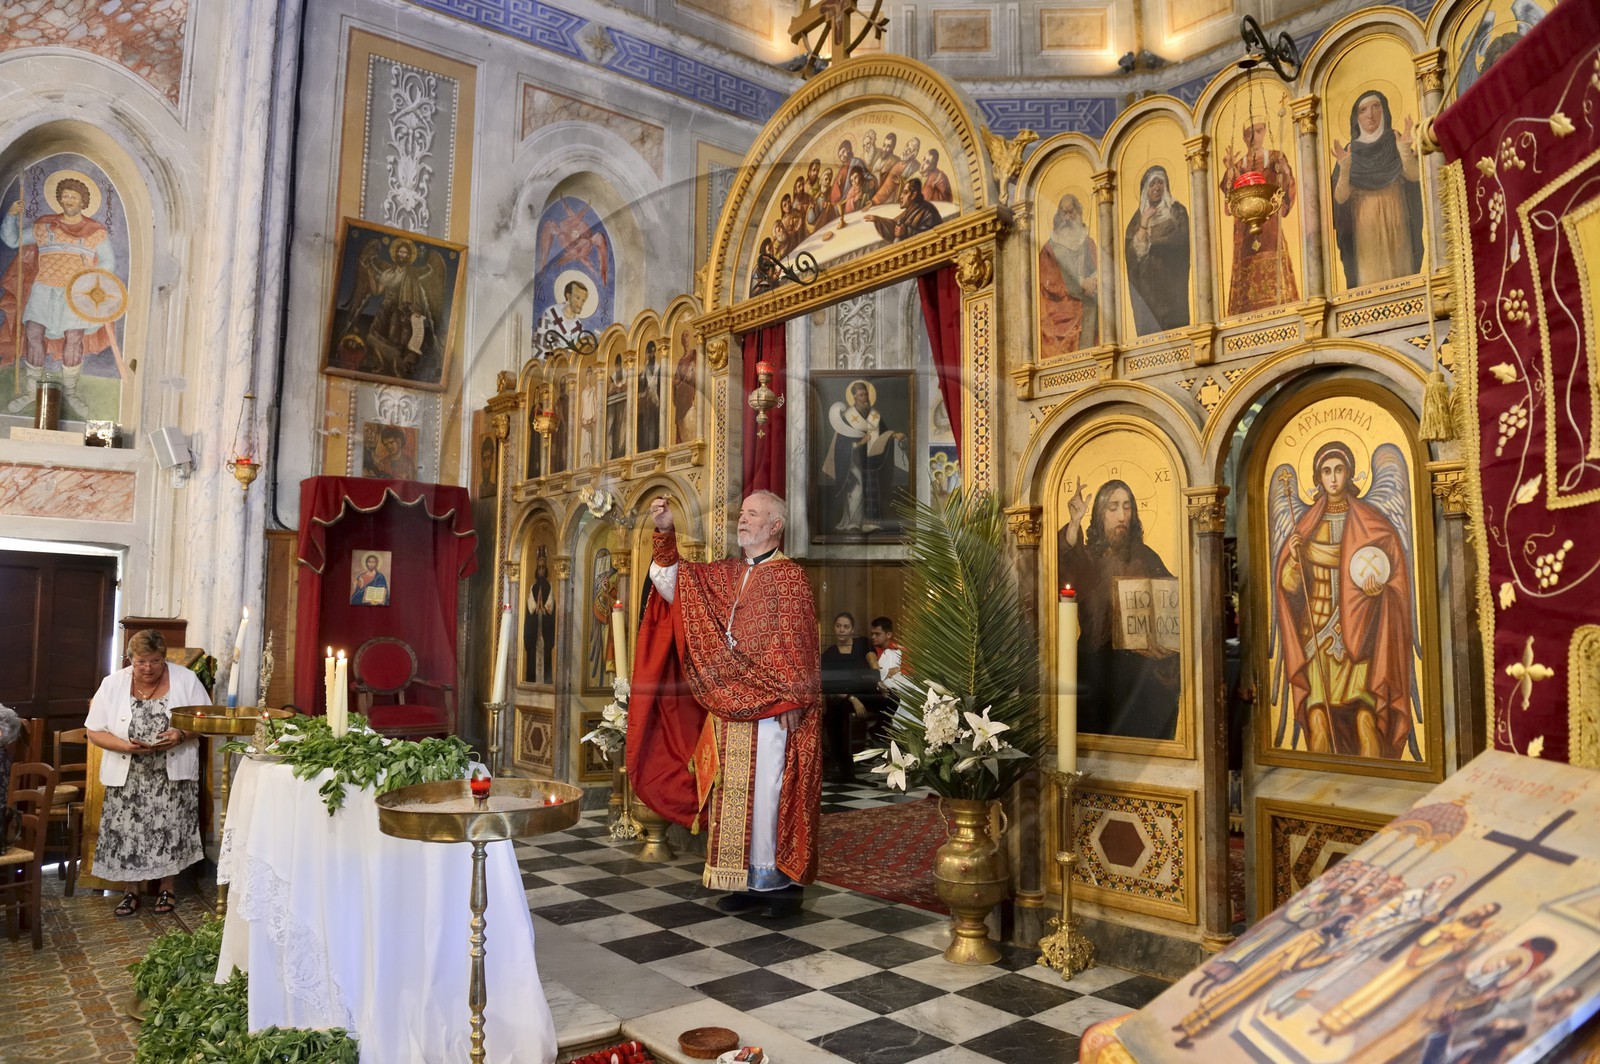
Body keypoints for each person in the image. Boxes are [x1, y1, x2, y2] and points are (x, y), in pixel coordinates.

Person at [627, 492, 822, 918]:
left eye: (752, 514)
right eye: (741, 513)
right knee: (730, 793)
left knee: (768, 794)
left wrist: (792, 696)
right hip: (726, 704)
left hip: (773, 709)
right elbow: (672, 583)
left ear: (775, 526)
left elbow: (800, 644)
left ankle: (778, 886)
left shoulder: (791, 577)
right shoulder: (726, 574)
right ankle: (742, 881)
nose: (742, 519)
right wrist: (664, 532)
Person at [1274, 440, 1415, 759]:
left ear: (1350, 473)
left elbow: (1395, 578)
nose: (1334, 478)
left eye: (1339, 470)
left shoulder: (1371, 521)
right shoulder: (1306, 527)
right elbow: (1289, 590)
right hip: (1318, 641)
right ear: (1318, 478)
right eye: (1327, 471)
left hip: (1359, 640)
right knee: (1318, 722)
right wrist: (1295, 559)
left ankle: (1376, 794)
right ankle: (1320, 797)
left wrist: (1380, 591)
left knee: (1366, 721)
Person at [84, 629, 208, 917]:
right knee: (129, 832)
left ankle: (167, 887)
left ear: (164, 658)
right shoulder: (113, 683)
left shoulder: (186, 679)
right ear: (130, 659)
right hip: (129, 774)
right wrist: (125, 746)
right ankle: (131, 891)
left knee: (169, 828)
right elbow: (94, 730)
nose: (148, 668)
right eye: (141, 661)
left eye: (154, 661)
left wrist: (180, 734)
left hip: (170, 772)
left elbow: (205, 721)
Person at [1057, 477, 1181, 739]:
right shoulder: (1088, 557)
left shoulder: (1146, 557)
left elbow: (1171, 607)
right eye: (1113, 508)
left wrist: (1165, 645)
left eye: (1127, 507)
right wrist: (1074, 524)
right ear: (1101, 515)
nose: (1121, 516)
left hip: (1136, 677)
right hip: (1094, 671)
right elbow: (1064, 567)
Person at [1, 177, 117, 419]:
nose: (69, 201)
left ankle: (71, 392)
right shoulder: (45, 226)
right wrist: (11, 215)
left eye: (74, 197)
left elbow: (109, 262)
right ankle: (32, 391)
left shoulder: (95, 231)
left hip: (74, 292)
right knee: (33, 333)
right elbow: (13, 240)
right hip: (43, 288)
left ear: (83, 201)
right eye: (65, 196)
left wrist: (90, 275)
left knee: (74, 338)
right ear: (59, 199)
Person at [1331, 90, 1423, 289]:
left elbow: (1415, 177)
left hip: (1395, 213)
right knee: (1371, 279)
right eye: (1363, 110)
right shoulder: (1349, 151)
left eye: (1376, 106)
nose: (1370, 115)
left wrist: (1405, 150)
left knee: (1401, 274)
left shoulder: (1395, 139)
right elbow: (1340, 197)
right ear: (1356, 118)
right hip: (1365, 221)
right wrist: (1345, 168)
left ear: (1384, 110)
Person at [1219, 120, 1299, 314]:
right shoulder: (1238, 164)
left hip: (1269, 226)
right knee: (1247, 265)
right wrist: (1231, 170)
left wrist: (1285, 171)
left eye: (1259, 130)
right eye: (1249, 133)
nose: (1254, 136)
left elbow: (1287, 190)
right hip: (1245, 231)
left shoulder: (1275, 158)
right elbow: (1229, 196)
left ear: (1265, 132)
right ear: (1244, 137)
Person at [821, 379, 907, 535]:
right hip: (851, 461)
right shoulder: (848, 416)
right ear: (854, 397)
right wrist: (860, 442)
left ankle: (869, 522)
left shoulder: (874, 415)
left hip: (871, 460)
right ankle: (853, 522)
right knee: (856, 490)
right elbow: (841, 444)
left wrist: (893, 435)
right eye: (860, 395)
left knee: (872, 487)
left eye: (866, 394)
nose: (864, 397)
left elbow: (882, 432)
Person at [1124, 164, 1192, 336]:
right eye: (1152, 184)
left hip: (1172, 281)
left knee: (1174, 328)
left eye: (1160, 183)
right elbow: (1132, 255)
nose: (1157, 188)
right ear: (1145, 189)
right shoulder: (1136, 219)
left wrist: (1152, 242)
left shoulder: (1176, 210)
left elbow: (1181, 239)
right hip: (1147, 287)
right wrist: (1144, 222)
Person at [1038, 193, 1100, 356]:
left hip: (1087, 305)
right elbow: (1049, 281)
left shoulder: (1087, 242)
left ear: (1078, 213)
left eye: (1070, 212)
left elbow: (1100, 268)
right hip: (1060, 306)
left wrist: (1094, 280)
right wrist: (1080, 283)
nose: (1066, 218)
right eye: (1062, 213)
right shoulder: (1048, 249)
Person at [820, 612, 879, 782]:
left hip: (866, 692)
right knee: (835, 711)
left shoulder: (862, 643)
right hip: (843, 697)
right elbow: (828, 684)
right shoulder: (829, 654)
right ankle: (844, 768)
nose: (841, 630)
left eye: (846, 627)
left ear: (852, 629)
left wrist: (877, 677)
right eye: (838, 626)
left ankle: (877, 735)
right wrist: (852, 699)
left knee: (892, 699)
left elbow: (872, 660)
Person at [870, 178, 941, 243]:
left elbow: (929, 234)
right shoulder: (909, 210)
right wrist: (878, 220)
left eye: (905, 192)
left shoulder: (927, 211)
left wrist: (906, 231)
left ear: (913, 195)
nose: (901, 197)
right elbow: (894, 224)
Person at [524, 547, 556, 684]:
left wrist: (544, 608)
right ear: (536, 570)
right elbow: (531, 606)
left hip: (545, 630)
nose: (541, 570)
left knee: (545, 655)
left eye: (543, 567)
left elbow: (550, 606)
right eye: (539, 568)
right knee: (533, 655)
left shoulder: (549, 586)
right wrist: (536, 608)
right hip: (535, 630)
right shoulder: (533, 587)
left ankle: (546, 680)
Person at [536, 278, 590, 358]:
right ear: (568, 296)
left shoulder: (579, 326)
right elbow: (541, 345)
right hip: (550, 363)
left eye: (583, 300)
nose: (580, 303)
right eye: (577, 298)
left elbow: (580, 353)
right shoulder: (551, 313)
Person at [671, 328, 699, 444]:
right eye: (683, 336)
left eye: (687, 335)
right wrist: (675, 382)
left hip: (689, 400)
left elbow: (694, 376)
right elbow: (676, 381)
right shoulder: (680, 361)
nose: (685, 338)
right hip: (681, 404)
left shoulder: (694, 355)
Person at [636, 339, 662, 452]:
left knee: (654, 428)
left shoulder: (659, 368)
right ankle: (646, 449)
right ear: (646, 353)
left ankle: (653, 448)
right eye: (650, 352)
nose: (653, 354)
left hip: (656, 403)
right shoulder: (644, 370)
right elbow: (640, 385)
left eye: (654, 352)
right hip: (646, 405)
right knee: (645, 428)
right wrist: (644, 364)